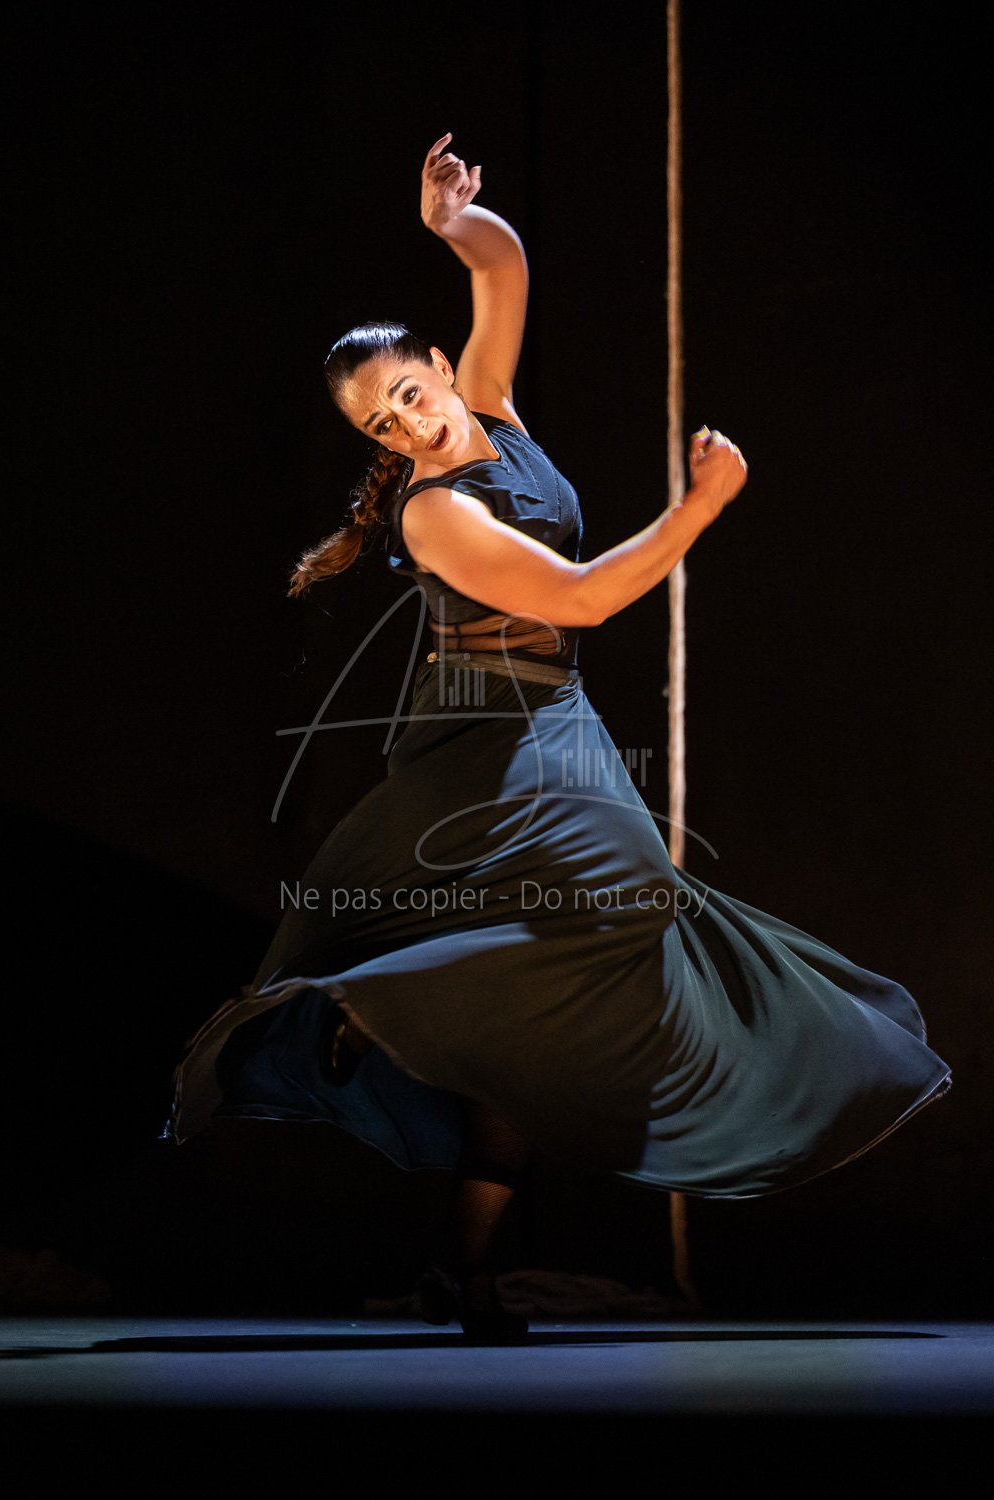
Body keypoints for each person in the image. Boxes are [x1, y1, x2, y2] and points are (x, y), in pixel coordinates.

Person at [166, 134, 951, 1341]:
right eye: (381, 423)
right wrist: (697, 509)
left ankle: (466, 1262)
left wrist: (453, 227)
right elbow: (577, 599)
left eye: (409, 393)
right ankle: (370, 1008)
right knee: (603, 925)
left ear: (439, 369)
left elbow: (503, 273)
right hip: (482, 742)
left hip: (553, 720)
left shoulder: (490, 408)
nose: (407, 423)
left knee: (563, 984)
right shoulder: (433, 514)